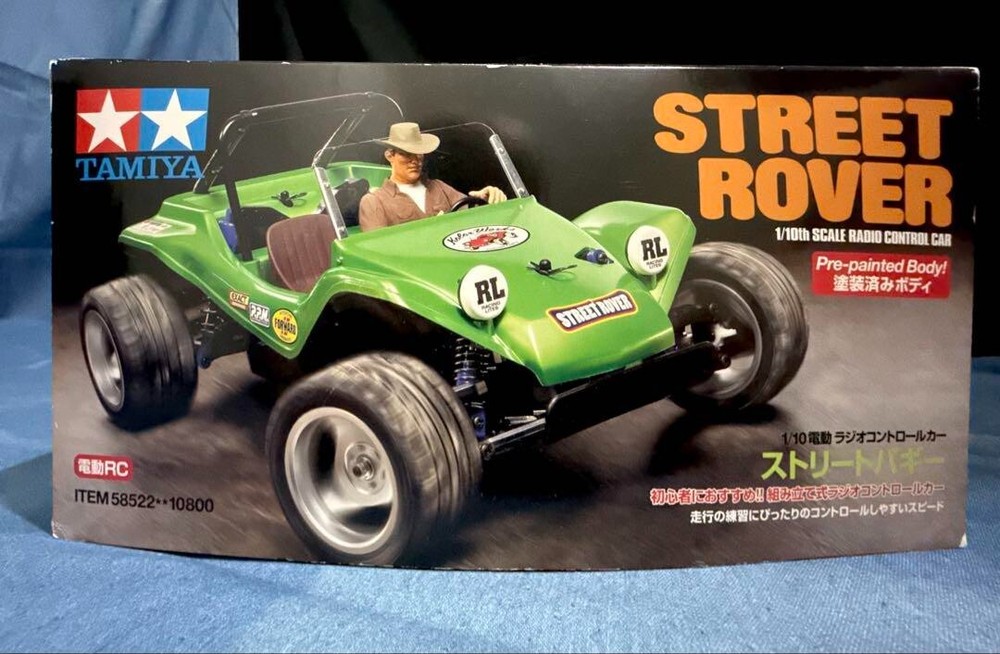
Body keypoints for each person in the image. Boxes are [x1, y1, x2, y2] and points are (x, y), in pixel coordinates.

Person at [358, 122, 507, 232]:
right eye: (406, 154)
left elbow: (469, 212)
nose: (414, 160)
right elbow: (377, 253)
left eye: (418, 153)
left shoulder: (438, 187)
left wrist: (484, 198)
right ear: (390, 156)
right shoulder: (374, 202)